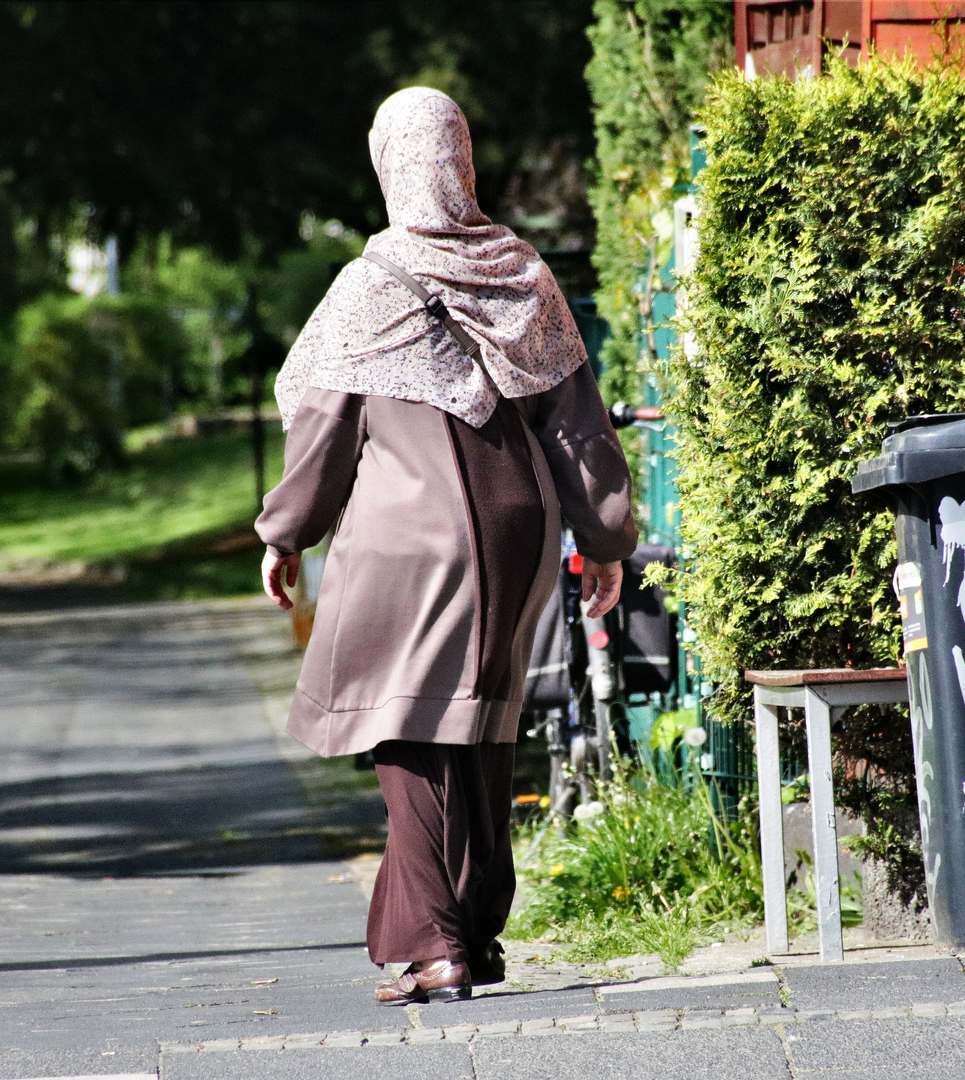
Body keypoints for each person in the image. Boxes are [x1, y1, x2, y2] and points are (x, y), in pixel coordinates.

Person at [255, 87, 636, 1006]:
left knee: (404, 728)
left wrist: (285, 533)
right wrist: (608, 539)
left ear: (390, 164)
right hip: (516, 532)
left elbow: (321, 435)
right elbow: (578, 429)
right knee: (483, 722)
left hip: (400, 541)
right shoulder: (521, 274)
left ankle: (436, 947)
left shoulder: (368, 285)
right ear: (462, 162)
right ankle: (477, 931)